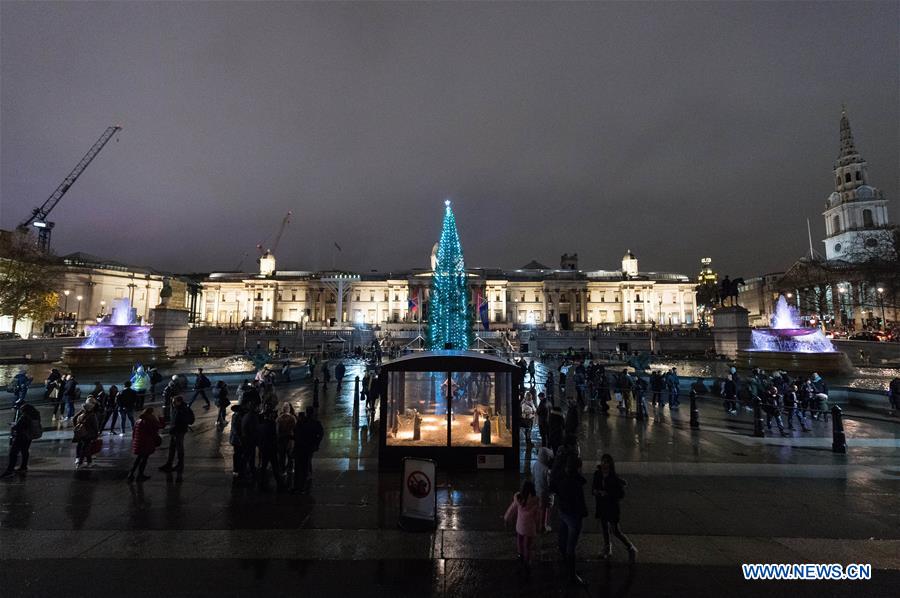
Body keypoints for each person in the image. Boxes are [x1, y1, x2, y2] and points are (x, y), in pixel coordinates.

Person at [593, 454, 637, 563]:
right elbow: (593, 488)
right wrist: (596, 492)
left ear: (610, 464)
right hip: (601, 505)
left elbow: (620, 494)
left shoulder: (614, 478)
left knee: (616, 530)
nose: (604, 464)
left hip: (612, 507)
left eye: (607, 462)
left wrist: (607, 494)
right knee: (604, 527)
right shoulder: (597, 474)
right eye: (603, 461)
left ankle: (630, 547)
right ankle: (607, 548)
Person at [555, 454, 588, 584]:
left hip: (563, 512)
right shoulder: (576, 483)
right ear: (578, 468)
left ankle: (565, 562)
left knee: (563, 537)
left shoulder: (562, 477)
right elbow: (579, 502)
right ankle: (572, 574)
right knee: (571, 545)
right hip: (574, 516)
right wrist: (583, 513)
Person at [503, 479, 541, 572]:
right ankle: (527, 562)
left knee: (519, 541)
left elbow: (511, 509)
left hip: (520, 526)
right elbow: (537, 517)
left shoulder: (518, 499)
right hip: (530, 529)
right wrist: (539, 526)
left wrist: (506, 518)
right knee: (527, 546)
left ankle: (520, 555)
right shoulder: (535, 501)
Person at [2, 400, 40, 478]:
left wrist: (13, 425)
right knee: (25, 451)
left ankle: (10, 470)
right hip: (29, 436)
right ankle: (23, 467)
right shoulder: (35, 415)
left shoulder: (24, 416)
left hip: (21, 437)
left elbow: (18, 427)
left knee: (13, 453)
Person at [159, 396, 193, 474]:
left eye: (174, 402)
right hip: (174, 431)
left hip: (179, 431)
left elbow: (188, 420)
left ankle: (180, 464)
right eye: (172, 402)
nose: (173, 403)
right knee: (172, 448)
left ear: (179, 402)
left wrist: (182, 425)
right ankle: (169, 464)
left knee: (179, 448)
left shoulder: (183, 409)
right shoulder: (176, 408)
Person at [128, 408, 163, 482]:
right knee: (144, 459)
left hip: (139, 442)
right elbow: (160, 426)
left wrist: (135, 441)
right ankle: (140, 475)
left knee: (138, 459)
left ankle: (131, 474)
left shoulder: (138, 421)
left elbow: (134, 433)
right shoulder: (150, 420)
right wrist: (160, 417)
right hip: (147, 443)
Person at [72, 397, 101, 469]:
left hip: (82, 434)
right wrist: (97, 434)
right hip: (89, 435)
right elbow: (95, 426)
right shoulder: (92, 416)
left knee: (85, 447)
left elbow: (74, 419)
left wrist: (76, 426)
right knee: (85, 449)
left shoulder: (81, 415)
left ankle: (89, 462)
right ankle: (80, 463)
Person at [532, 446, 554, 533]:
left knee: (539, 508)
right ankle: (543, 526)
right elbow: (549, 483)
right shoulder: (547, 470)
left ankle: (537, 524)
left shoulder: (536, 465)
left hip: (537, 490)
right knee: (545, 510)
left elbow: (533, 477)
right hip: (545, 493)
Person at [276, 403, 297, 481]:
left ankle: (283, 470)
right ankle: (290, 469)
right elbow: (295, 429)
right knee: (290, 456)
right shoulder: (292, 418)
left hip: (281, 440)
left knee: (282, 457)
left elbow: (277, 431)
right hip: (290, 440)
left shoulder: (279, 419)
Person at [228, 404, 247, 478]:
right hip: (237, 439)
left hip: (236, 439)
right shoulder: (237, 417)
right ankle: (236, 469)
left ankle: (238, 468)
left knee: (238, 454)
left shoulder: (236, 416)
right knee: (237, 454)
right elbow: (236, 430)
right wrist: (240, 439)